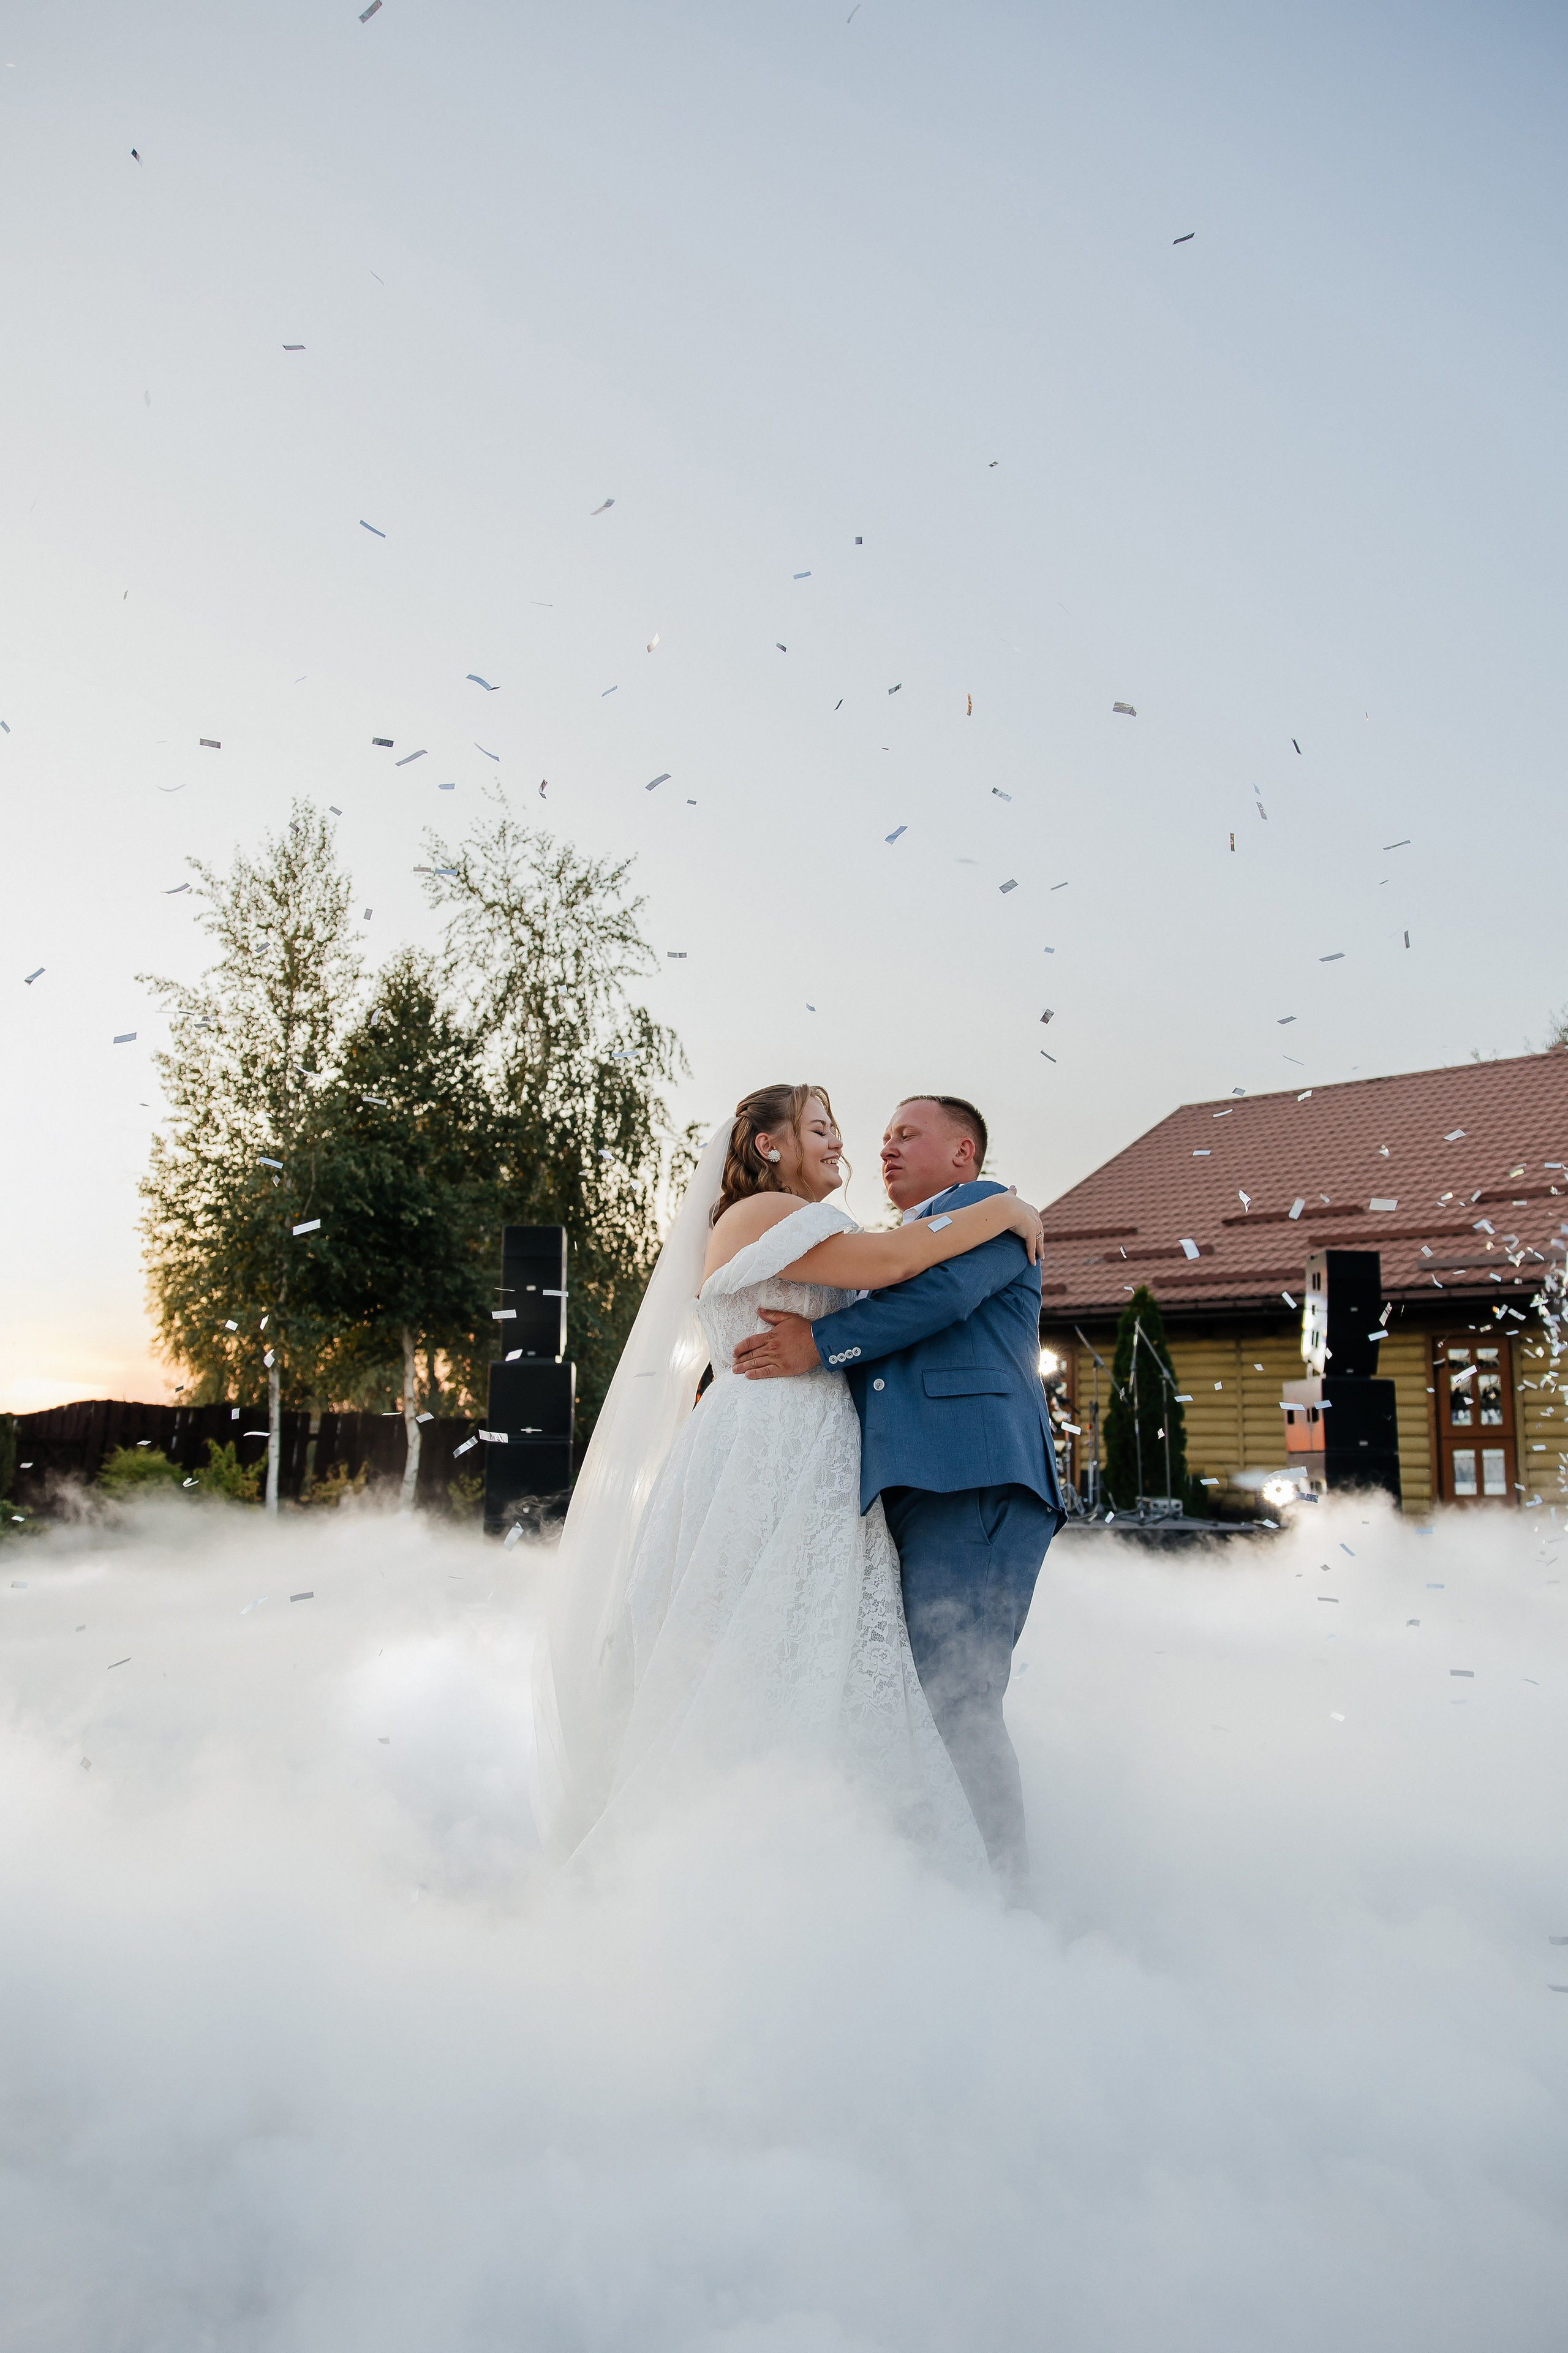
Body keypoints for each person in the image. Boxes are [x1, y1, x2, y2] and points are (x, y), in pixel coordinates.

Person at [533, 1083, 1046, 1881]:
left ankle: (926, 1876)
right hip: (778, 1447)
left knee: (823, 1656)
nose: (857, 1143)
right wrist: (1011, 1209)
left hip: (844, 1456)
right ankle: (760, 1859)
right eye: (822, 1127)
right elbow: (896, 1262)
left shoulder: (874, 1217)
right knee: (765, 1647)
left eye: (892, 1132)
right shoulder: (763, 1213)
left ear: (964, 1154)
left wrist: (997, 1207)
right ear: (770, 1145)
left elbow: (919, 1279)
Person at [733, 1095, 1065, 1902]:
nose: (885, 1148)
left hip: (973, 1473)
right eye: (881, 1137)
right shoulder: (902, 1238)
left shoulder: (989, 1209)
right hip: (911, 1484)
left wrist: (816, 1341)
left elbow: (937, 1301)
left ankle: (1010, 1899)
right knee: (911, 1697)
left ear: (964, 1153)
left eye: (907, 1134)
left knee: (959, 1693)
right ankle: (935, 1885)